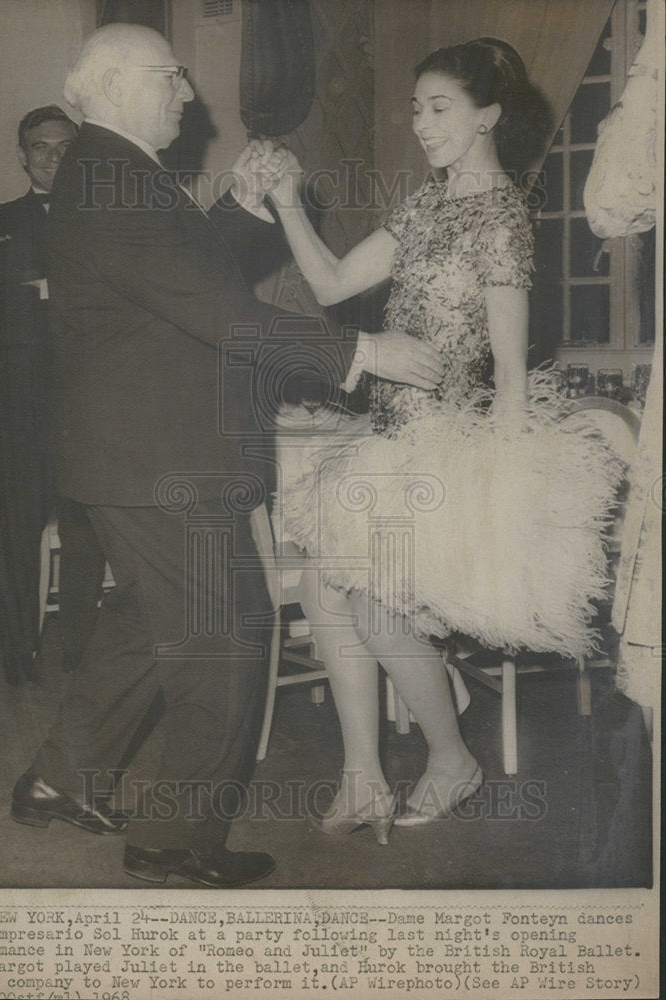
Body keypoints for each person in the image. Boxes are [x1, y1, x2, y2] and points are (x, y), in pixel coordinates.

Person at [9, 22, 446, 887]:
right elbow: (222, 317)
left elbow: (185, 282)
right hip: (159, 457)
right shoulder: (113, 176)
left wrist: (242, 209)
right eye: (173, 76)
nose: (189, 93)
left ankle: (61, 780)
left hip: (133, 456)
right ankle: (175, 841)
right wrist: (360, 352)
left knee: (145, 625)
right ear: (120, 81)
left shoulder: (114, 172)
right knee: (226, 632)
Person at [263, 38, 622, 836]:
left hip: (440, 447)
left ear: (487, 115)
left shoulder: (500, 216)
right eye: (415, 108)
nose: (419, 123)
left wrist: (502, 488)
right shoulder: (427, 204)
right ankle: (361, 777)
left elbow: (510, 371)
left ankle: (452, 757)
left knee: (377, 609)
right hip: (384, 436)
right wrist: (288, 201)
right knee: (330, 592)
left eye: (438, 108)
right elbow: (329, 284)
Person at [0, 105, 106, 683]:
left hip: (89, 408)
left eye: (65, 148)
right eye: (41, 148)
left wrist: (51, 287)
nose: (54, 159)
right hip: (22, 410)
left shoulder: (106, 219)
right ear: (22, 154)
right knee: (19, 529)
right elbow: (11, 288)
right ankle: (17, 654)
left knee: (86, 533)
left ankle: (78, 653)